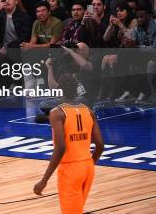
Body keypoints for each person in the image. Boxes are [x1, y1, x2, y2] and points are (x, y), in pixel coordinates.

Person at [34, 75, 104, 214]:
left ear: (60, 90)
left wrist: (44, 180)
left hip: (70, 170)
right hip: (88, 167)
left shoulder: (56, 113)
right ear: (77, 89)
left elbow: (60, 148)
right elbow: (100, 145)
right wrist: (88, 163)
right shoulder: (89, 111)